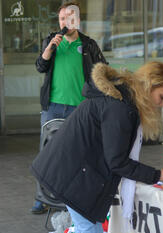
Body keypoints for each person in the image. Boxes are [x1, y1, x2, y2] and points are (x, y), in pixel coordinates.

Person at [31, 61, 163, 233]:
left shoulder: (120, 98)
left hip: (67, 168)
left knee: (85, 231)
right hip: (70, 171)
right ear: (150, 86)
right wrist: (156, 175)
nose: (162, 103)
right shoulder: (121, 108)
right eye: (162, 96)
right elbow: (117, 162)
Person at [31, 1, 107, 214]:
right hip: (53, 107)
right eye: (62, 18)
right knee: (47, 154)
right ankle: (41, 198)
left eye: (70, 17)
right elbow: (40, 66)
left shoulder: (89, 44)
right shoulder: (52, 41)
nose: (66, 22)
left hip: (80, 109)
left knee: (80, 154)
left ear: (78, 20)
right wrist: (48, 49)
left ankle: (75, 197)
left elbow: (103, 71)